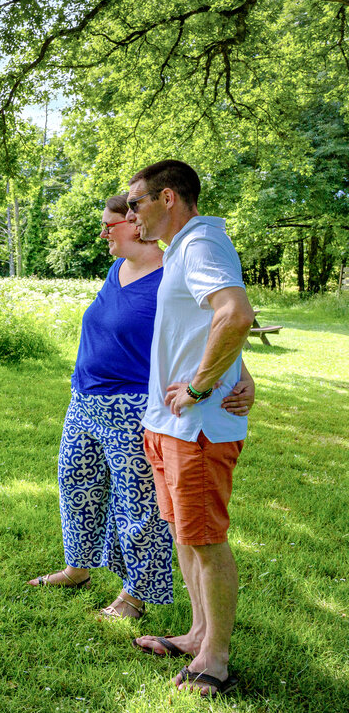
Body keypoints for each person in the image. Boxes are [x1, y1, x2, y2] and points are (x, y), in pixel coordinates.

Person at [28, 196, 254, 623]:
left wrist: (243, 375)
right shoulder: (117, 269)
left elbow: (212, 328)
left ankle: (134, 595)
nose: (103, 234)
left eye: (109, 225)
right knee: (77, 486)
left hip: (133, 405)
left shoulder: (174, 271)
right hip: (85, 399)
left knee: (138, 505)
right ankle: (78, 568)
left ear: (135, 225)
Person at [126, 160, 254, 698]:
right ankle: (198, 634)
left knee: (205, 540)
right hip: (168, 424)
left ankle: (215, 660)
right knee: (185, 534)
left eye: (136, 202)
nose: (131, 213)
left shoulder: (201, 243)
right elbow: (207, 325)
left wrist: (200, 387)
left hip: (196, 426)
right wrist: (241, 372)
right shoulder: (181, 249)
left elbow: (235, 314)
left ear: (168, 198)